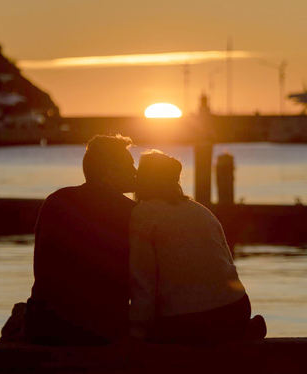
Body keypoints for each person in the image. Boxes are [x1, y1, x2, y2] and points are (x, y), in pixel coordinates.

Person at [129, 150, 266, 344]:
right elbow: (226, 263)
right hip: (235, 307)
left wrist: (137, 331)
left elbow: (144, 281)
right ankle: (242, 330)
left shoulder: (144, 214)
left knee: (164, 332)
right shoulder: (201, 211)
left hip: (187, 318)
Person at [23, 135, 137, 345]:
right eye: (130, 165)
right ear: (110, 171)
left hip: (47, 323)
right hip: (101, 328)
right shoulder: (130, 212)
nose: (136, 172)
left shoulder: (56, 201)